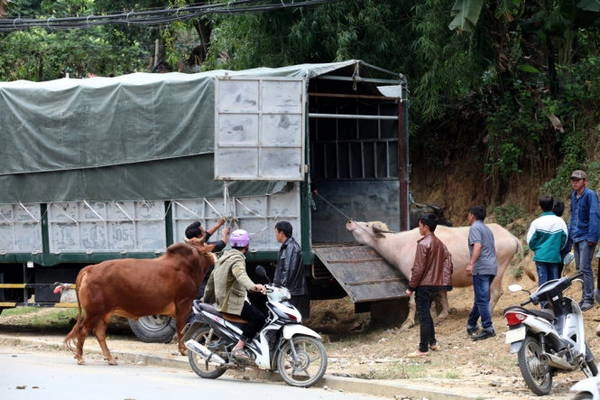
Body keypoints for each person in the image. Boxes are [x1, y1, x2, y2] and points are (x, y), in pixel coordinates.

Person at [202, 229, 266, 360]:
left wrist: (206, 299)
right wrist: (254, 286)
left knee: (255, 310)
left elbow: (211, 280)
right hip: (231, 303)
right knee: (259, 318)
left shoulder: (224, 257)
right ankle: (239, 347)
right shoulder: (237, 259)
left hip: (222, 301)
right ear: (247, 245)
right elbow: (241, 275)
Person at [405, 213, 453, 357]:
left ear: (425, 227)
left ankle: (423, 349)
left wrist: (411, 287)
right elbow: (448, 260)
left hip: (424, 285)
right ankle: (432, 342)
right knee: (428, 314)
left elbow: (418, 268)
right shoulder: (439, 243)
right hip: (436, 285)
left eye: (420, 225)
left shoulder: (424, 243)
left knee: (424, 316)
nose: (419, 228)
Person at [568, 170, 600, 311]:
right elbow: (572, 215)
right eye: (573, 180)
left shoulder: (590, 195)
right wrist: (570, 235)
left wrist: (593, 237)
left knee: (585, 267)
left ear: (584, 181)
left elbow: (594, 215)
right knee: (579, 269)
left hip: (586, 237)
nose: (575, 182)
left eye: (578, 180)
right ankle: (584, 297)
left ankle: (589, 298)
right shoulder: (574, 196)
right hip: (576, 236)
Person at [465, 205, 497, 341]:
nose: (467, 217)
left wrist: (471, 263)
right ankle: (471, 324)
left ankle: (488, 328)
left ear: (472, 215)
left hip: (482, 268)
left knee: (482, 299)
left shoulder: (475, 228)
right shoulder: (487, 229)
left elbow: (477, 246)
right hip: (491, 267)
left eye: (468, 215)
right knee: (481, 298)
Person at [527, 196, 568, 286]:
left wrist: (537, 249)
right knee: (554, 283)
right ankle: (554, 299)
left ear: (541, 207)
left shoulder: (536, 222)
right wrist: (557, 248)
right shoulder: (560, 222)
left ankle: (543, 300)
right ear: (553, 206)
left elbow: (530, 241)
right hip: (554, 256)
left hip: (541, 256)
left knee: (543, 282)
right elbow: (564, 239)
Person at [185, 217, 230, 298]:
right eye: (203, 231)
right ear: (199, 235)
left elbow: (206, 235)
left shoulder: (189, 246)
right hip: (203, 286)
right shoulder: (206, 249)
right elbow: (222, 243)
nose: (205, 231)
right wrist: (225, 233)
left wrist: (219, 224)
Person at [274, 221, 309, 318]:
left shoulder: (291, 247)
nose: (275, 235)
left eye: (276, 232)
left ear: (281, 233)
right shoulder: (287, 246)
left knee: (291, 319)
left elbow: (289, 270)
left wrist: (281, 288)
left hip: (292, 291)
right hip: (291, 290)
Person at [552, 200, 573, 276]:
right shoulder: (563, 224)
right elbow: (567, 241)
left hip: (549, 256)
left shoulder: (547, 222)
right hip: (561, 256)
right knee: (556, 277)